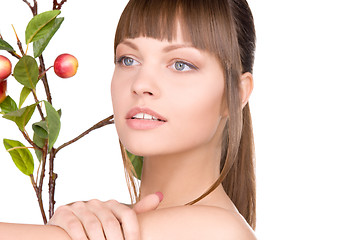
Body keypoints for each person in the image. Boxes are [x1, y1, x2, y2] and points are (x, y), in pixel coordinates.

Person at [0, 0, 256, 239]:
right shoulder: (112, 222)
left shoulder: (219, 232)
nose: (141, 84)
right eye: (128, 59)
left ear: (237, 93)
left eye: (181, 64)